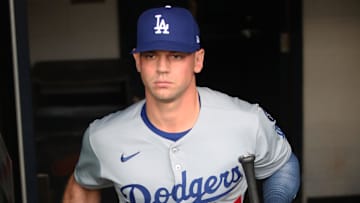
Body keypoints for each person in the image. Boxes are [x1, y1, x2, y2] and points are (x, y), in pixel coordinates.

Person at [62, 5, 300, 203]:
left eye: (176, 56)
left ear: (198, 60)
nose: (162, 68)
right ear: (137, 61)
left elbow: (282, 163)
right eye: (151, 55)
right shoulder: (103, 137)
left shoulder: (246, 120)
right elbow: (82, 185)